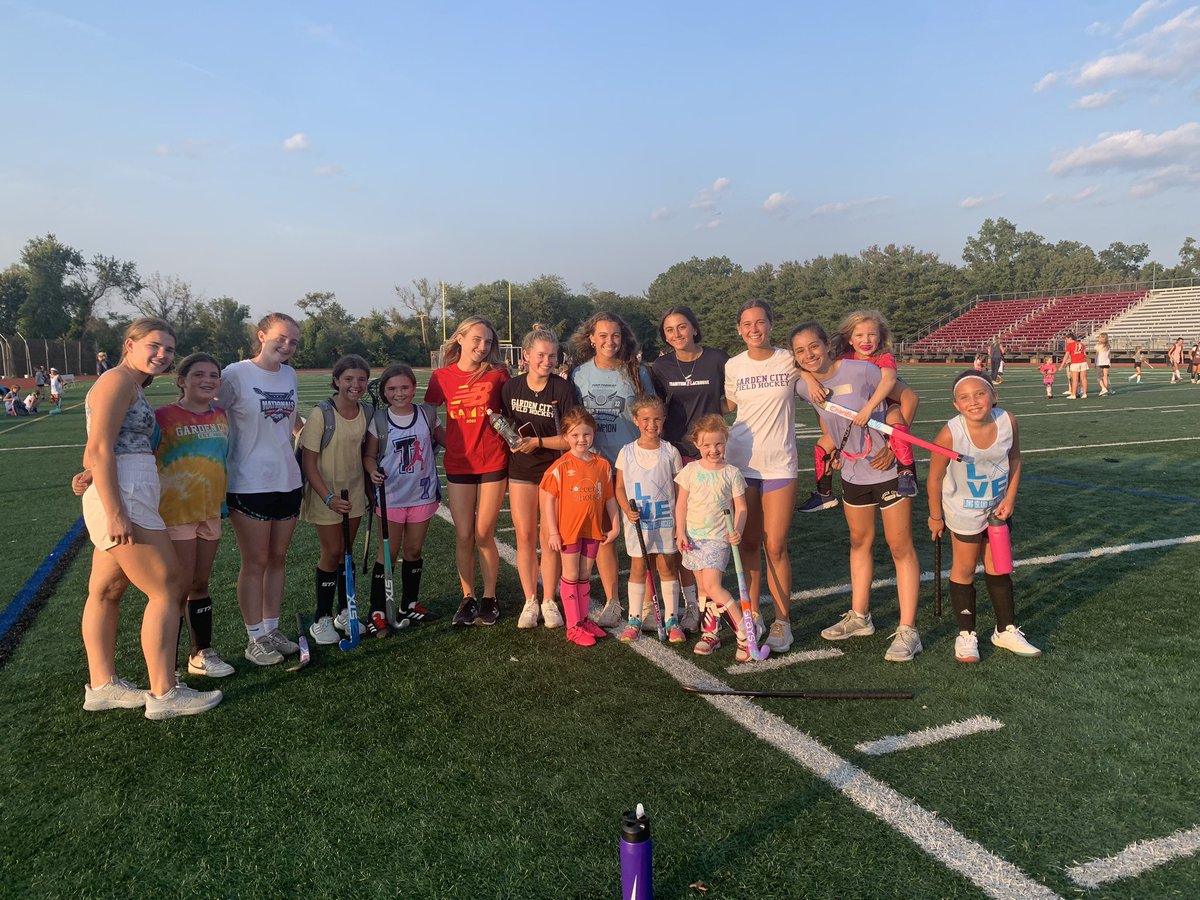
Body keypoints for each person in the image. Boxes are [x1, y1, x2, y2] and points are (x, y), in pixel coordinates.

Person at [78, 317, 222, 719]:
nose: (162, 354)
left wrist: (90, 475)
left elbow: (100, 450)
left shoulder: (131, 384)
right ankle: (165, 692)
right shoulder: (117, 380)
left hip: (128, 486)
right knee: (168, 587)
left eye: (170, 349)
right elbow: (103, 448)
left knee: (106, 591)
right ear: (130, 344)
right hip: (124, 493)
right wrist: (115, 511)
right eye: (154, 346)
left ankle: (103, 686)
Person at [791, 321, 922, 662]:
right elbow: (825, 416)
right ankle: (860, 616)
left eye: (814, 347)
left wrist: (896, 445)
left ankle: (909, 630)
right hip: (852, 472)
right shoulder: (804, 386)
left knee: (899, 546)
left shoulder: (862, 370)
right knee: (859, 543)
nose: (809, 354)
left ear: (826, 345)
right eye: (801, 351)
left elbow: (907, 397)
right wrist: (834, 444)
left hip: (887, 469)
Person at [926, 372, 1040, 662]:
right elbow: (935, 477)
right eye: (964, 397)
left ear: (994, 396)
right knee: (964, 568)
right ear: (956, 405)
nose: (973, 402)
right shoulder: (951, 433)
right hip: (962, 510)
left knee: (999, 568)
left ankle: (1005, 629)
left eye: (979, 394)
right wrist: (936, 516)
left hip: (997, 509)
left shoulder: (1007, 421)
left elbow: (1014, 458)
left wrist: (1010, 498)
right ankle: (966, 634)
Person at [219, 312, 304, 666]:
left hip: (288, 479)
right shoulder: (235, 374)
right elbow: (210, 416)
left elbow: (294, 422)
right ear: (261, 335)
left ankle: (271, 629)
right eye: (281, 338)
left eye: (294, 342)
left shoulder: (290, 374)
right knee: (254, 561)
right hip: (249, 481)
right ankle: (254, 638)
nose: (287, 346)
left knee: (277, 559)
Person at [569, 312, 655, 628]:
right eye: (603, 335)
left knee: (640, 533)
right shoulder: (579, 374)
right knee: (605, 536)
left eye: (615, 335)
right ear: (591, 338)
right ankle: (613, 602)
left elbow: (650, 414)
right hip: (597, 468)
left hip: (633, 464)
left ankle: (646, 603)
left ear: (623, 337)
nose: (609, 341)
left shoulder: (636, 372)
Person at [723, 299, 797, 653]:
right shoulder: (733, 366)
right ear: (739, 329)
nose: (754, 329)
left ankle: (783, 621)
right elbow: (731, 408)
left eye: (760, 322)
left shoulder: (789, 359)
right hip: (741, 462)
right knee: (749, 544)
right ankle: (752, 615)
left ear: (771, 324)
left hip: (780, 463)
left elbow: (819, 382)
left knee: (776, 544)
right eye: (747, 324)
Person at [425, 316, 510, 627]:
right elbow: (429, 418)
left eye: (488, 341)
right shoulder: (441, 377)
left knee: (483, 533)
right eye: (476, 339)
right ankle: (468, 596)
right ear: (459, 338)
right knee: (463, 535)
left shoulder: (498, 374)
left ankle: (490, 597)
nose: (482, 346)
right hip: (459, 463)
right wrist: (450, 441)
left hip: (493, 461)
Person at [649, 305, 726, 633]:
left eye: (682, 327)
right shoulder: (661, 366)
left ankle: (711, 605)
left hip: (711, 458)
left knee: (710, 533)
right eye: (669, 330)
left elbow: (731, 400)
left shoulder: (718, 359)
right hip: (676, 457)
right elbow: (654, 408)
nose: (677, 334)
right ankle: (692, 605)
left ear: (694, 328)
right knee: (683, 533)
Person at [798, 309, 920, 505]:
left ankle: (906, 471)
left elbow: (889, 381)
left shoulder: (883, 357)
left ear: (880, 337)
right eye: (860, 335)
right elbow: (803, 368)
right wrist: (806, 378)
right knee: (823, 445)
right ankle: (824, 493)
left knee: (895, 420)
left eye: (872, 334)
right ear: (849, 339)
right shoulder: (844, 360)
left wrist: (890, 443)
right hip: (857, 418)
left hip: (886, 407)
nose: (866, 340)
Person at [501, 325, 576, 630]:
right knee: (525, 537)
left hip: (553, 471)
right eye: (541, 355)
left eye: (552, 355)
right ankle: (530, 599)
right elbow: (505, 427)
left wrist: (539, 443)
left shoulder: (563, 389)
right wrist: (513, 440)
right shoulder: (511, 388)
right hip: (520, 471)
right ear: (527, 355)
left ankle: (549, 599)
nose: (547, 360)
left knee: (550, 539)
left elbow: (571, 439)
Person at [364, 363, 444, 628]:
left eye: (404, 387)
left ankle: (409, 604)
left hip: (422, 494)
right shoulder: (379, 419)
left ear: (413, 388)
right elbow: (368, 456)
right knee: (388, 552)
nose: (399, 393)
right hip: (391, 496)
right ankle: (377, 609)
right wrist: (373, 470)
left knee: (413, 549)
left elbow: (450, 441)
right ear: (384, 392)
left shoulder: (427, 414)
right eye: (392, 388)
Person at [299, 355, 373, 641]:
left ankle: (345, 611)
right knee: (331, 554)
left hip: (352, 494)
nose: (355, 385)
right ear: (337, 381)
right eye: (349, 379)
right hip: (325, 494)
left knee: (347, 553)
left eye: (361, 380)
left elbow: (366, 454)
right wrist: (328, 497)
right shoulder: (322, 413)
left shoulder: (366, 411)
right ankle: (321, 618)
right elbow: (309, 463)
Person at [539, 407, 620, 647]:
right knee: (571, 574)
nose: (581, 440)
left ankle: (583, 620)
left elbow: (609, 498)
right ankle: (573, 626)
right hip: (569, 532)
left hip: (592, 530)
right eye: (575, 435)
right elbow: (548, 500)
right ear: (565, 437)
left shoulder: (602, 465)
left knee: (585, 575)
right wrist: (553, 531)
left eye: (586, 434)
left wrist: (615, 526)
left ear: (593, 434)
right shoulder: (560, 467)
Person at [675, 414, 750, 659]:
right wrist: (680, 531)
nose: (713, 449)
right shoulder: (690, 470)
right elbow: (682, 505)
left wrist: (736, 529)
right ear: (697, 445)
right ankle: (711, 633)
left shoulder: (731, 473)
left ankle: (745, 632)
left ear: (725, 442)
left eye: (718, 444)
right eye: (707, 445)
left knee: (714, 586)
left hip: (718, 539)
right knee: (703, 589)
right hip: (693, 539)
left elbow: (741, 508)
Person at [614, 395, 684, 643]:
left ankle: (672, 618)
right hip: (638, 523)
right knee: (639, 567)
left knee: (667, 566)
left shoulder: (670, 452)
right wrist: (626, 509)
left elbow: (678, 491)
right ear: (635, 420)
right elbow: (620, 488)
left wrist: (680, 521)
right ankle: (634, 619)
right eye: (645, 419)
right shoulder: (627, 452)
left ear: (664, 420)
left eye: (657, 419)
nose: (651, 424)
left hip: (665, 520)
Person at [1061, 334, 1089, 398]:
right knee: (1083, 378)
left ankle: (1073, 394)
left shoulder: (1070, 345)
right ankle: (1084, 394)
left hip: (1075, 362)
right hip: (1083, 362)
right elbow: (1084, 354)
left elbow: (1066, 355)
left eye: (1066, 339)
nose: (1066, 341)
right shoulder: (1081, 344)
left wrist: (1062, 365)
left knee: (1075, 379)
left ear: (1070, 338)